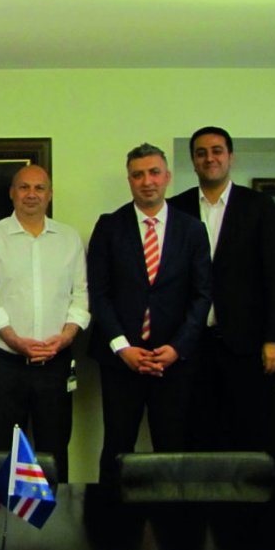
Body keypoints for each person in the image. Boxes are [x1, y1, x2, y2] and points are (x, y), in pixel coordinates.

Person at [87, 144, 211, 484]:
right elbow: (98, 293)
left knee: (171, 446)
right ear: (129, 180)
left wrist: (177, 348)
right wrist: (122, 348)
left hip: (172, 361)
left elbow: (202, 295)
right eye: (138, 175)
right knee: (117, 445)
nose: (147, 181)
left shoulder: (192, 229)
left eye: (154, 172)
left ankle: (169, 516)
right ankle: (111, 515)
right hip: (121, 361)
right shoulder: (109, 226)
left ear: (167, 176)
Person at [170, 126, 275, 451]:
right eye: (201, 153)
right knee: (195, 434)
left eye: (217, 151)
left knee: (247, 432)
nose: (209, 158)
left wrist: (274, 337)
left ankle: (246, 488)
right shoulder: (176, 208)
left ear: (230, 157)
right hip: (190, 344)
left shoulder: (259, 206)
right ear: (193, 161)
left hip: (246, 343)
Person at [0, 165, 89, 481]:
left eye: (39, 188)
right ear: (12, 193)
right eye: (24, 187)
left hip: (55, 363)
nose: (31, 194)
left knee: (54, 449)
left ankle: (57, 511)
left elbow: (81, 295)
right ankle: (5, 513)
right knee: (4, 451)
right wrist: (14, 339)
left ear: (49, 195)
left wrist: (66, 336)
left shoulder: (68, 238)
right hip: (5, 364)